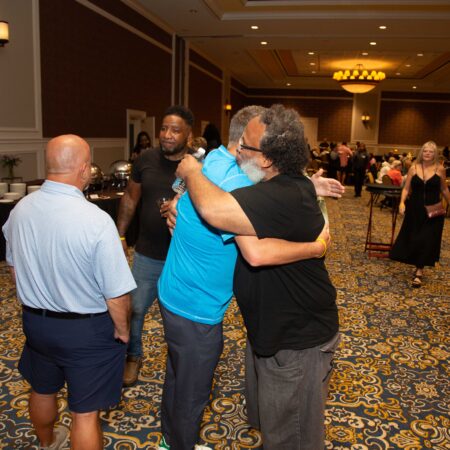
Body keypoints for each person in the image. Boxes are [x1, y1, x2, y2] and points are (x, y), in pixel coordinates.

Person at [157, 105, 344, 450]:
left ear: (270, 159)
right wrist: (180, 204)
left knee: (293, 436)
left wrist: (191, 173)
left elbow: (248, 245)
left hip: (299, 336)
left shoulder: (268, 194)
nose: (236, 151)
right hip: (269, 329)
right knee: (275, 424)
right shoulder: (270, 182)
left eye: (245, 146)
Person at [2, 135, 136, 450]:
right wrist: (123, 331)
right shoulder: (96, 221)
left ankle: (48, 442)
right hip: (85, 331)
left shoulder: (20, 210)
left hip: (36, 324)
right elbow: (116, 295)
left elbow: (13, 268)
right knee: (85, 414)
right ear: (83, 169)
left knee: (42, 389)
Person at [117, 105, 194, 387]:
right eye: (163, 128)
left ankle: (181, 362)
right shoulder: (146, 159)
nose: (167, 135)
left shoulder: (196, 167)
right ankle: (133, 356)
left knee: (180, 314)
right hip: (147, 253)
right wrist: (120, 236)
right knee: (134, 309)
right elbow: (130, 198)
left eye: (175, 129)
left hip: (182, 256)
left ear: (189, 134)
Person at [390, 141, 450, 288]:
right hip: (415, 210)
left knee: (427, 239)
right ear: (421, 153)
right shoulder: (413, 168)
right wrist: (402, 203)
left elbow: (444, 189)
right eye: (425, 151)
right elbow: (406, 188)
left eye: (430, 152)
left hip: (434, 210)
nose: (427, 154)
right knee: (415, 237)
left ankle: (419, 271)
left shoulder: (440, 169)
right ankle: (416, 262)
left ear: (435, 154)